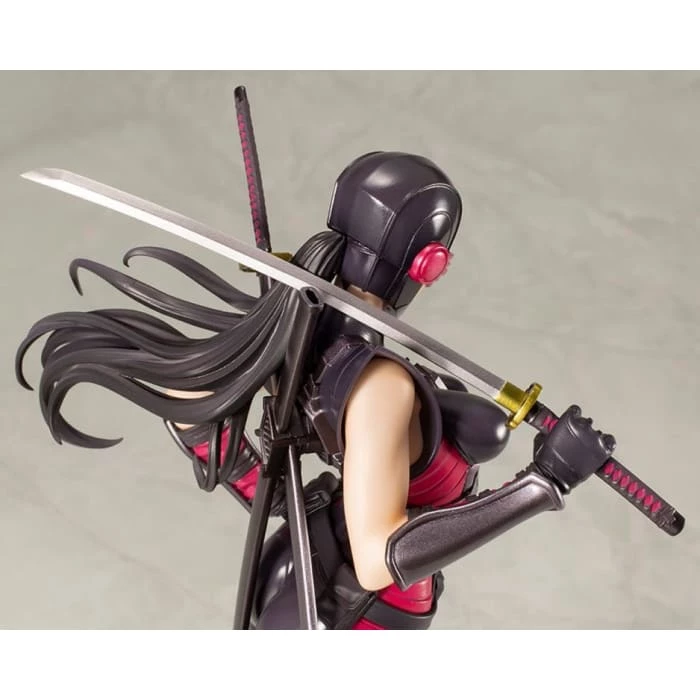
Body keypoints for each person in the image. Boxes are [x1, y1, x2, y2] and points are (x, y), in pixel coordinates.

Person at [15, 151, 615, 630]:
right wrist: (544, 483)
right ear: (427, 263)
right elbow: (379, 559)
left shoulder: (325, 342)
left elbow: (289, 490)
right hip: (353, 616)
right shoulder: (379, 384)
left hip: (326, 578)